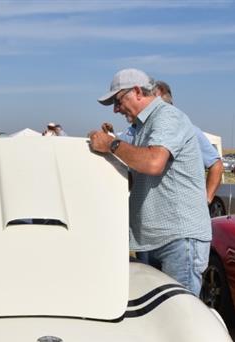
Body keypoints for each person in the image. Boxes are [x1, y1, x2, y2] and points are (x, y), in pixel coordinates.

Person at [88, 68, 211, 295]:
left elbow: (154, 162)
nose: (116, 109)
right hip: (155, 239)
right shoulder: (143, 127)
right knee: (157, 312)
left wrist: (111, 145)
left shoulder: (167, 116)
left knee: (178, 310)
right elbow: (136, 177)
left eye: (118, 101)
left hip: (178, 240)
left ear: (137, 91)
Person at [152, 80, 224, 206]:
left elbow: (216, 165)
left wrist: (206, 200)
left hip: (182, 211)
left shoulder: (191, 132)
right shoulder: (140, 133)